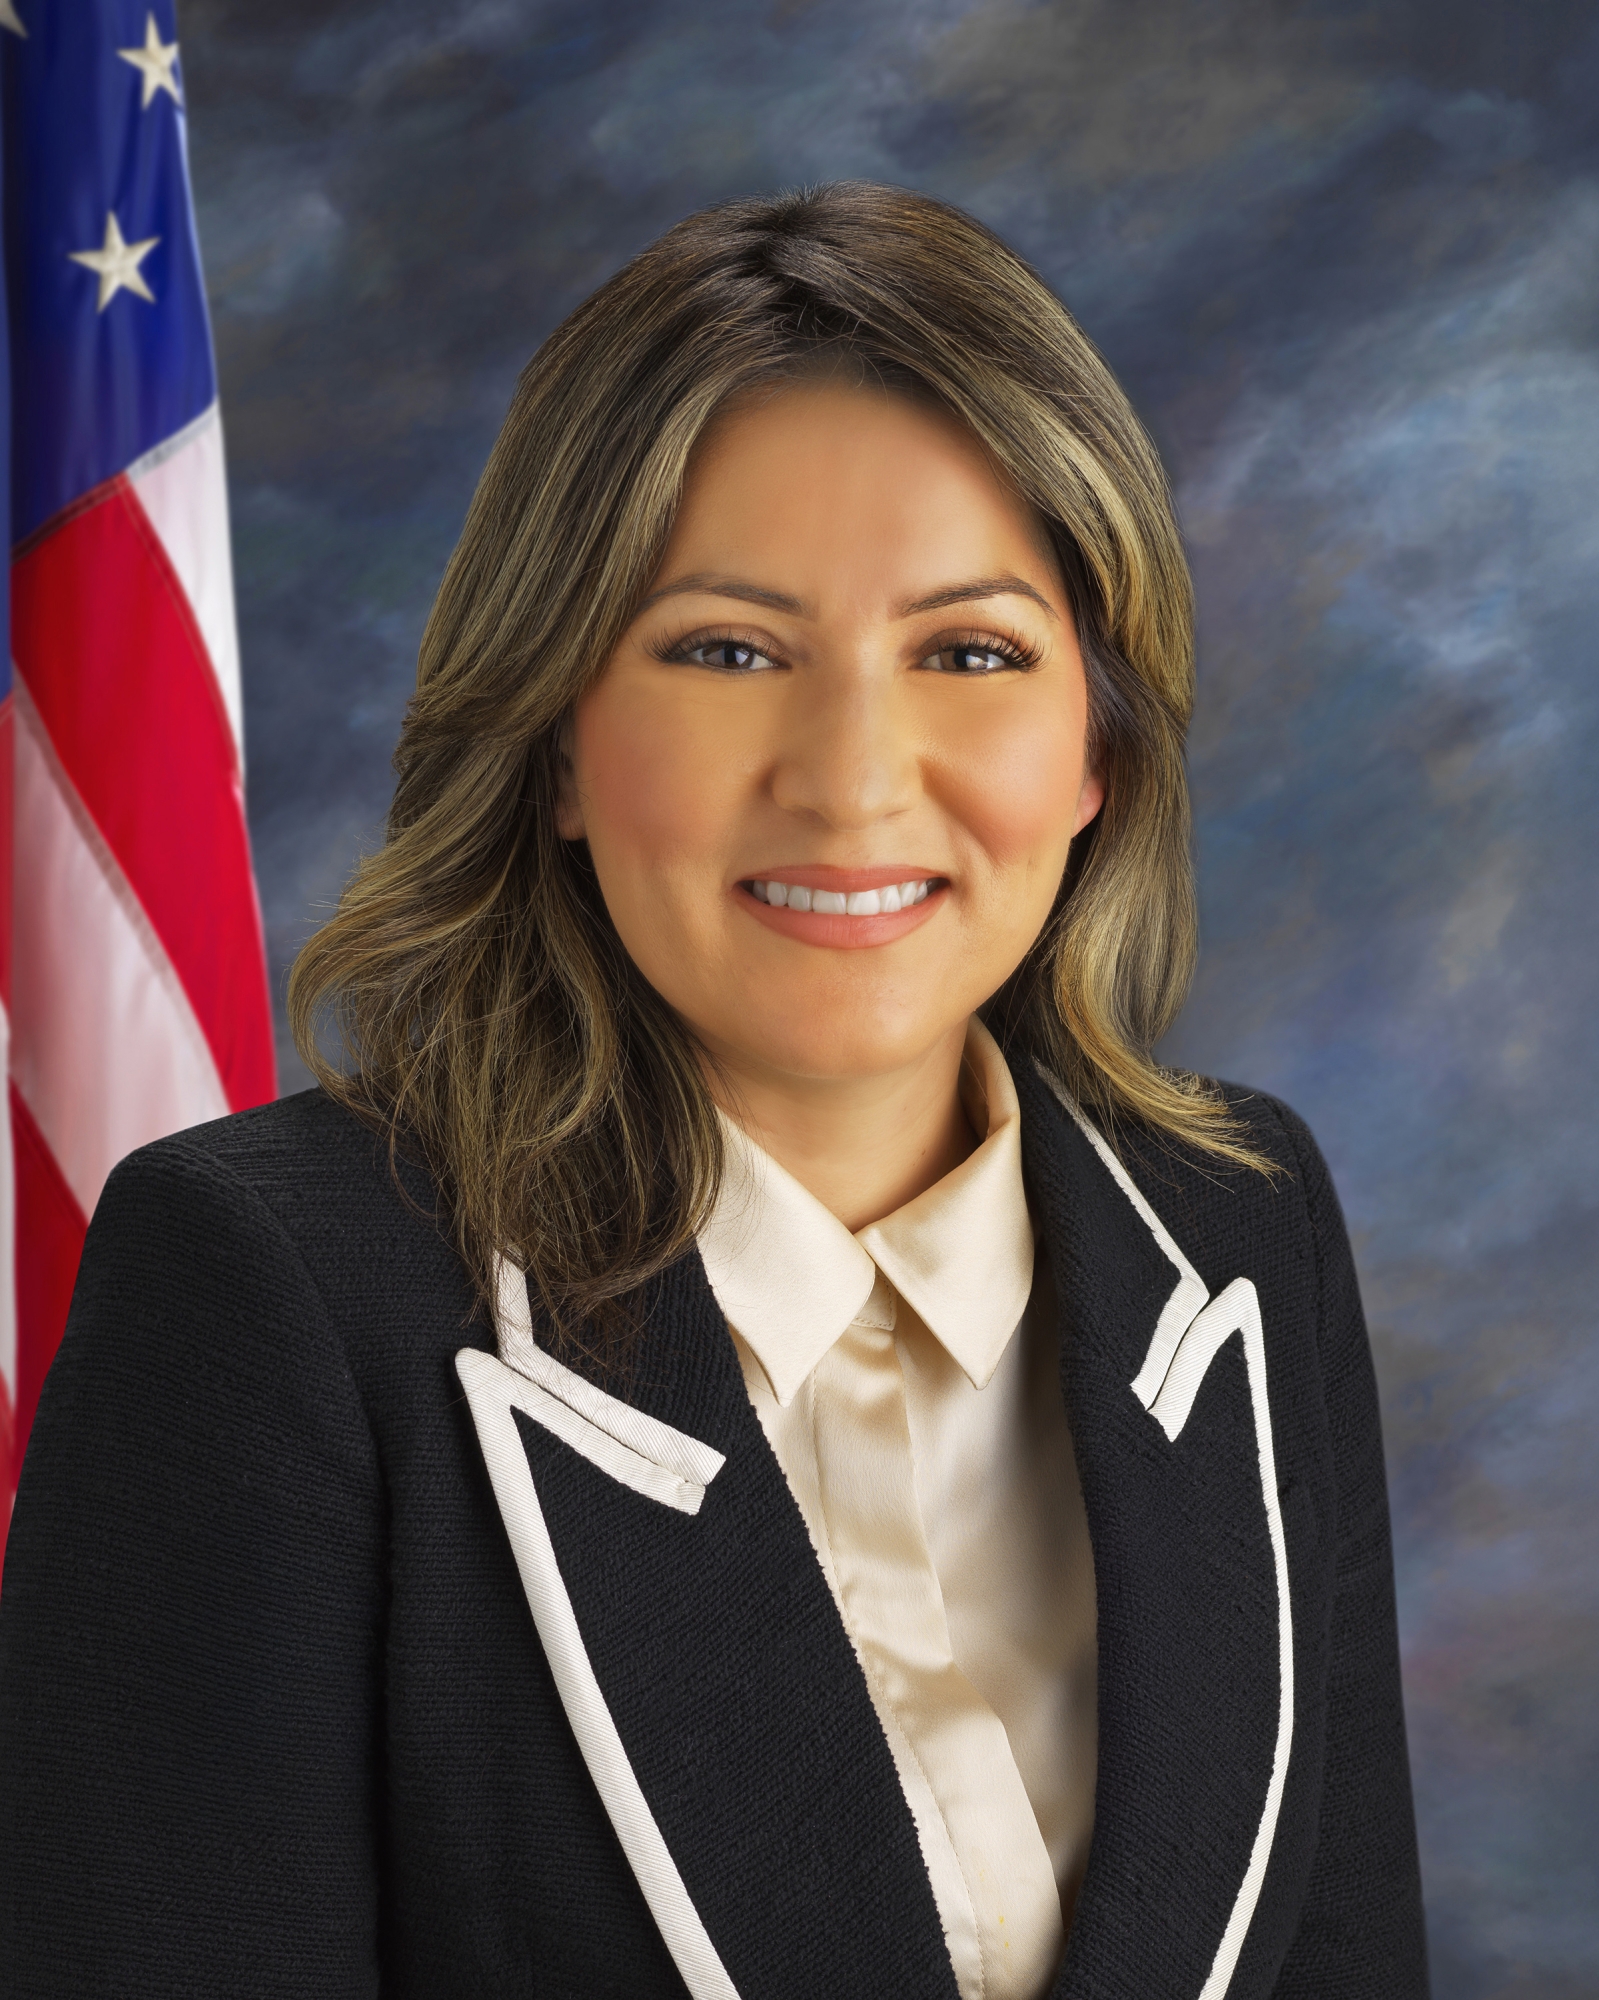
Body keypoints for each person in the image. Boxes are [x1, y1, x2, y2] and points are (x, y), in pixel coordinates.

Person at [0, 183, 1429, 2000]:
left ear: (1100, 750)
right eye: (727, 650)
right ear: (556, 743)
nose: (850, 782)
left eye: (972, 652)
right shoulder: (271, 1295)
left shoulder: (1236, 1230)